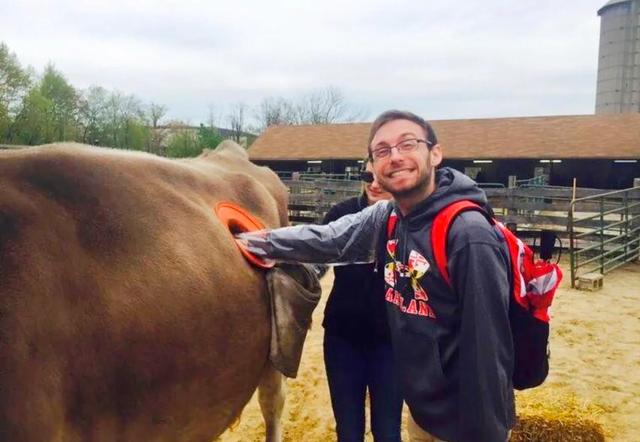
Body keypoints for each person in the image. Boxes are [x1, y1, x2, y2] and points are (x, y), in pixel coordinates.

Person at [238, 110, 515, 442]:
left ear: (435, 153)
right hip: (424, 412)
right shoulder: (391, 216)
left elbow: (488, 352)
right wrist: (249, 242)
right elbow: (328, 240)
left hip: (463, 422)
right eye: (382, 151)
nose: (395, 157)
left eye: (407, 144)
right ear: (372, 167)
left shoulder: (468, 235)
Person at [321, 159, 402, 442]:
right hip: (343, 337)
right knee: (348, 432)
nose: (375, 183)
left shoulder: (409, 220)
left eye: (384, 176)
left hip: (391, 342)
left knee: (388, 431)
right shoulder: (341, 214)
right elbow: (315, 257)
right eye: (369, 175)